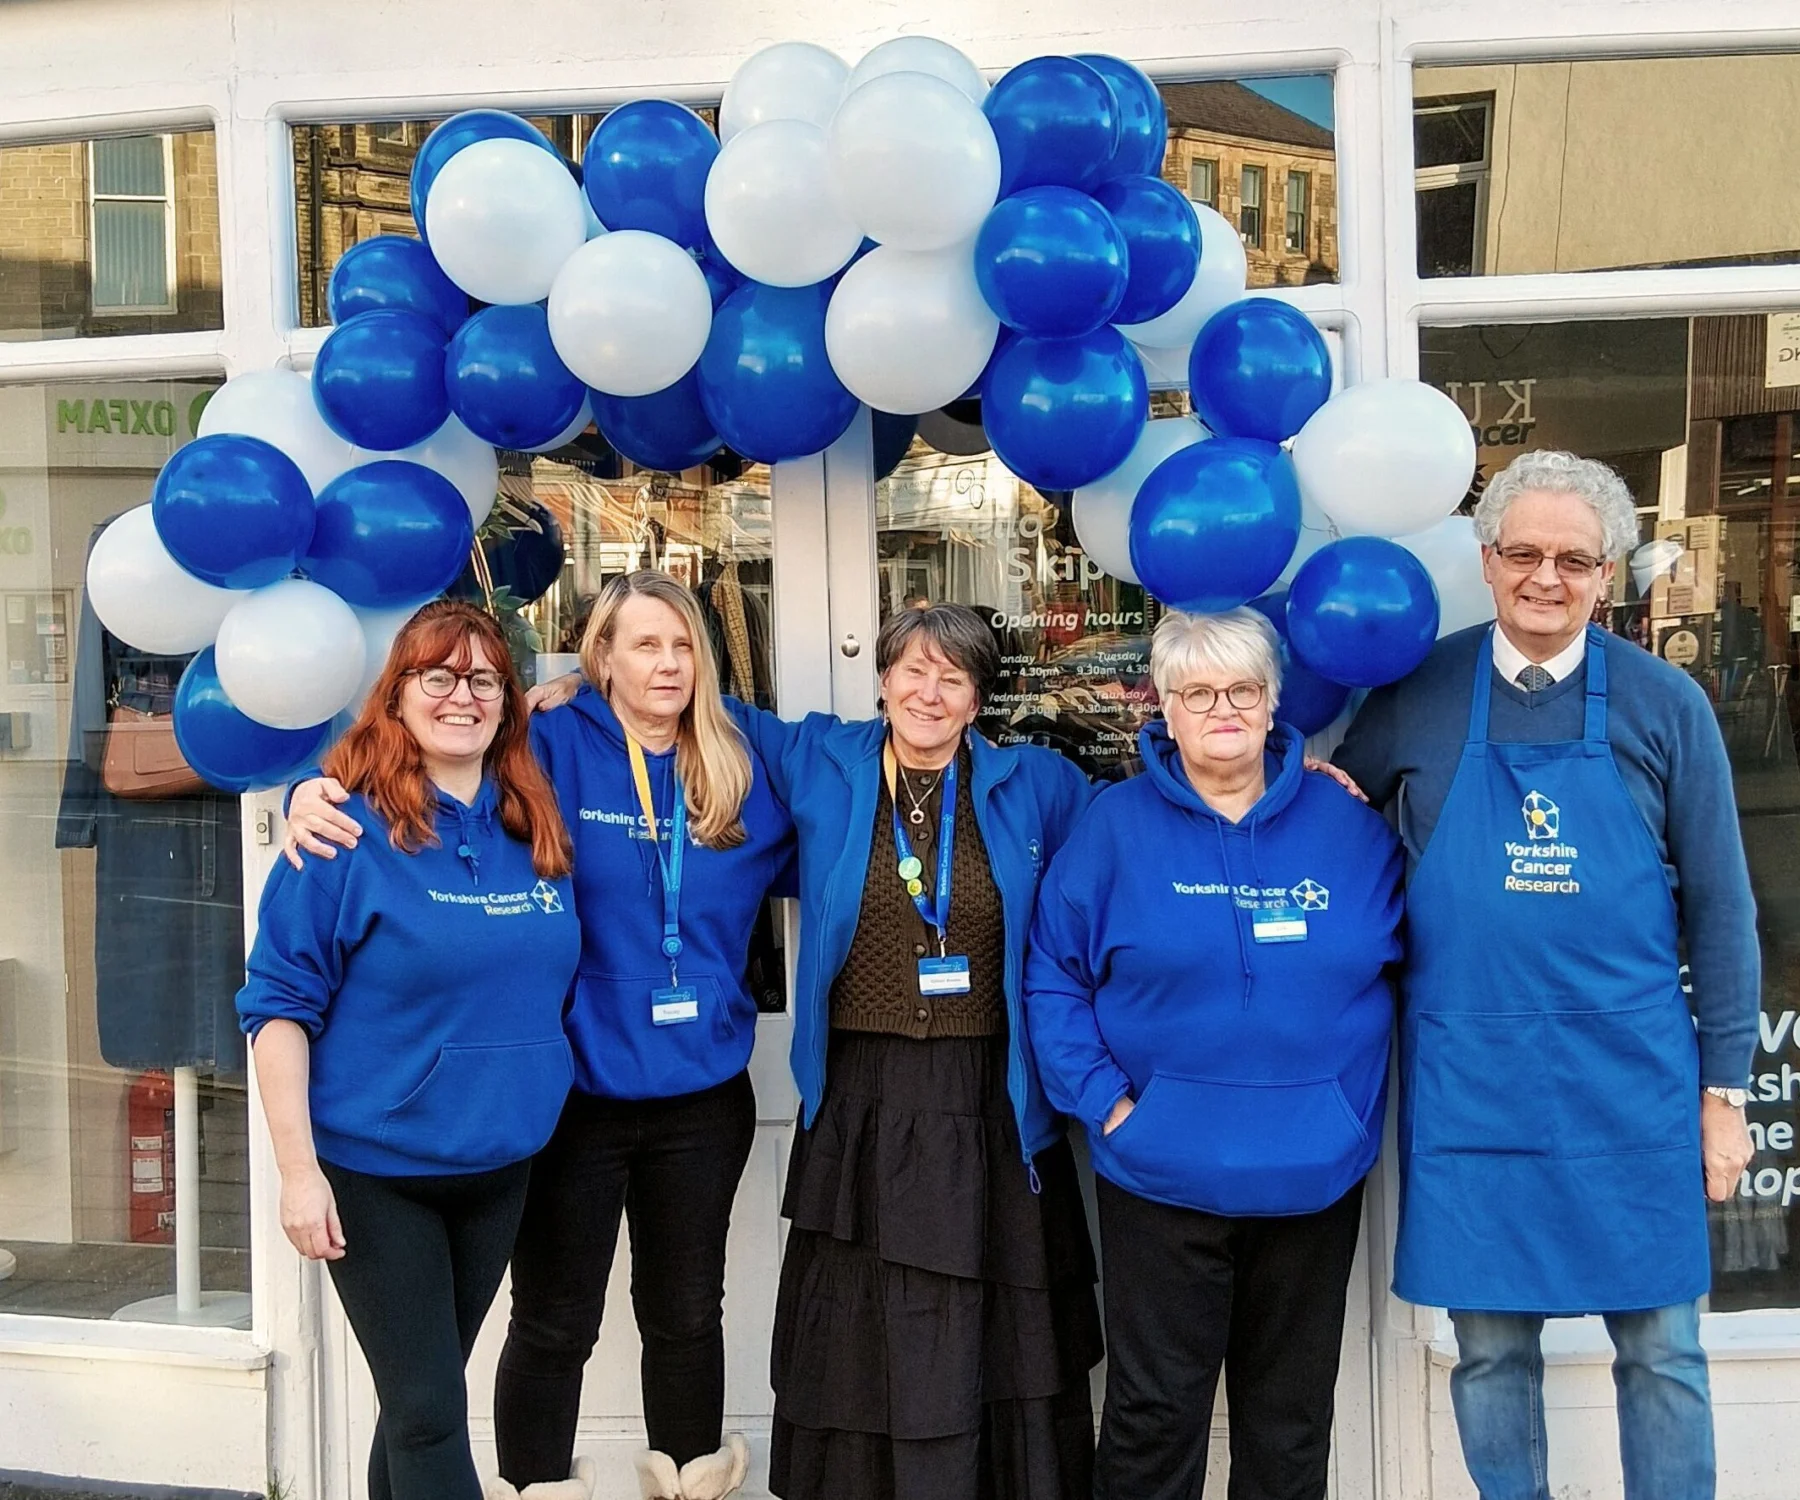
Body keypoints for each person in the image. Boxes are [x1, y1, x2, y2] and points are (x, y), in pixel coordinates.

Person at [283, 571, 795, 1500]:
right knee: (555, 1321)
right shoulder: (550, 741)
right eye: (644, 644)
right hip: (572, 1101)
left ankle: (689, 1485)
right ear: (600, 657)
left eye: (684, 646)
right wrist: (309, 790)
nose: (668, 664)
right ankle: (532, 1488)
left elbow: (875, 768)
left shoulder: (748, 753)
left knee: (686, 1315)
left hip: (702, 1095)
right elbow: (418, 743)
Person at [1334, 449, 1761, 1500]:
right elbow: (1338, 823)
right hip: (1471, 1078)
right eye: (1523, 552)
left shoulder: (1669, 707)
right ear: (1486, 561)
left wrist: (1724, 1093)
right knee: (1488, 1352)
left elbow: (1723, 909)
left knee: (1664, 1347)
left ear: (1609, 574)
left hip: (1630, 1081)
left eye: (1575, 558)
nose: (1546, 577)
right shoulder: (1420, 688)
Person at [728, 603, 1104, 1500]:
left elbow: (1143, 827)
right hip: (863, 1093)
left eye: (955, 677)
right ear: (884, 677)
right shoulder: (822, 760)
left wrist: (1300, 772)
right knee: (863, 1331)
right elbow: (695, 703)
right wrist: (574, 688)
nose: (929, 692)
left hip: (990, 1096)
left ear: (978, 699)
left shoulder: (1037, 785)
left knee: (994, 1327)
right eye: (913, 670)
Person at [1025, 607, 1402, 1500]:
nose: (1222, 709)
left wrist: (1350, 1116)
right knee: (1154, 1418)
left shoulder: (1349, 826)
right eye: (1198, 692)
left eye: (1242, 690)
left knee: (1291, 1421)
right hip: (1161, 1178)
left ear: (1273, 703)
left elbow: (1413, 966)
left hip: (1313, 1175)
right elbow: (1052, 978)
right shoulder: (1113, 829)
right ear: (1165, 707)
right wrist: (1115, 1108)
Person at [238, 600, 581, 1500]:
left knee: (412, 1407)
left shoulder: (530, 822)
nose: (460, 695)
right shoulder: (340, 834)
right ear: (397, 696)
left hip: (501, 1165)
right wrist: (297, 1171)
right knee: (430, 1412)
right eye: (437, 676)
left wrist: (576, 674)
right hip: (374, 1176)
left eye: (482, 679)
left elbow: (605, 694)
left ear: (508, 701)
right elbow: (275, 1008)